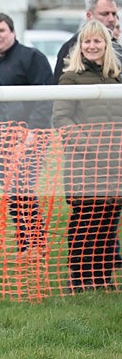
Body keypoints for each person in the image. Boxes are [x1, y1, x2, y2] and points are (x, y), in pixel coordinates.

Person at [52, 19, 122, 292]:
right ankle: (79, 280)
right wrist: (93, 147)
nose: (92, 46)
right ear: (80, 46)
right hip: (85, 168)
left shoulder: (117, 78)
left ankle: (103, 278)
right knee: (85, 225)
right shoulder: (70, 78)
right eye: (87, 41)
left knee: (108, 224)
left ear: (107, 44)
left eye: (98, 41)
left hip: (115, 166)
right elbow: (61, 119)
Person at [0, 13, 53, 262]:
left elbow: (45, 96)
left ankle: (36, 243)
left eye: (1, 30)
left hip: (30, 137)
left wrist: (33, 131)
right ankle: (25, 244)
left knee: (24, 188)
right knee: (11, 190)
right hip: (2, 140)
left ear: (12, 32)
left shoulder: (32, 58)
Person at [52, 0, 121, 84]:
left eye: (114, 14)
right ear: (89, 15)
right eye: (105, 14)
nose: (112, 19)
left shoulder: (117, 48)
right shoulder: (71, 47)